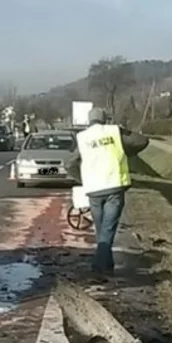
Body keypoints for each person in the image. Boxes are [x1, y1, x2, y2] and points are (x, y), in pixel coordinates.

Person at [65, 107, 149, 277]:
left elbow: (70, 164)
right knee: (108, 229)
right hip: (113, 187)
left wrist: (82, 180)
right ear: (105, 119)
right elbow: (143, 141)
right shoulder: (114, 131)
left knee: (102, 229)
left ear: (90, 121)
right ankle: (98, 266)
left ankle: (106, 266)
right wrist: (126, 146)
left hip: (94, 191)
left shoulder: (82, 137)